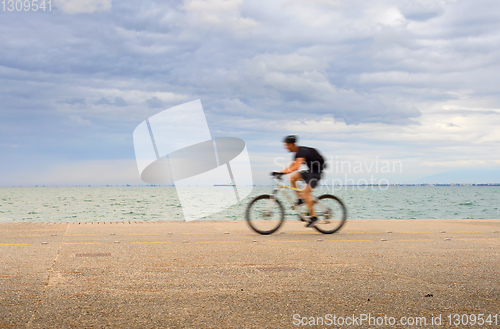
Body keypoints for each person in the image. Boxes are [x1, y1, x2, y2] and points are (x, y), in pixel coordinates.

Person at [273, 135, 325, 227]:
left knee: (305, 192)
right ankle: (300, 199)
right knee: (292, 178)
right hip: (310, 171)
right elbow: (292, 166)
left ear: (293, 144)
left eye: (287, 145)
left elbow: (297, 167)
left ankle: (314, 217)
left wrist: (282, 173)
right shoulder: (297, 154)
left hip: (316, 173)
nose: (286, 147)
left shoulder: (302, 151)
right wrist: (279, 172)